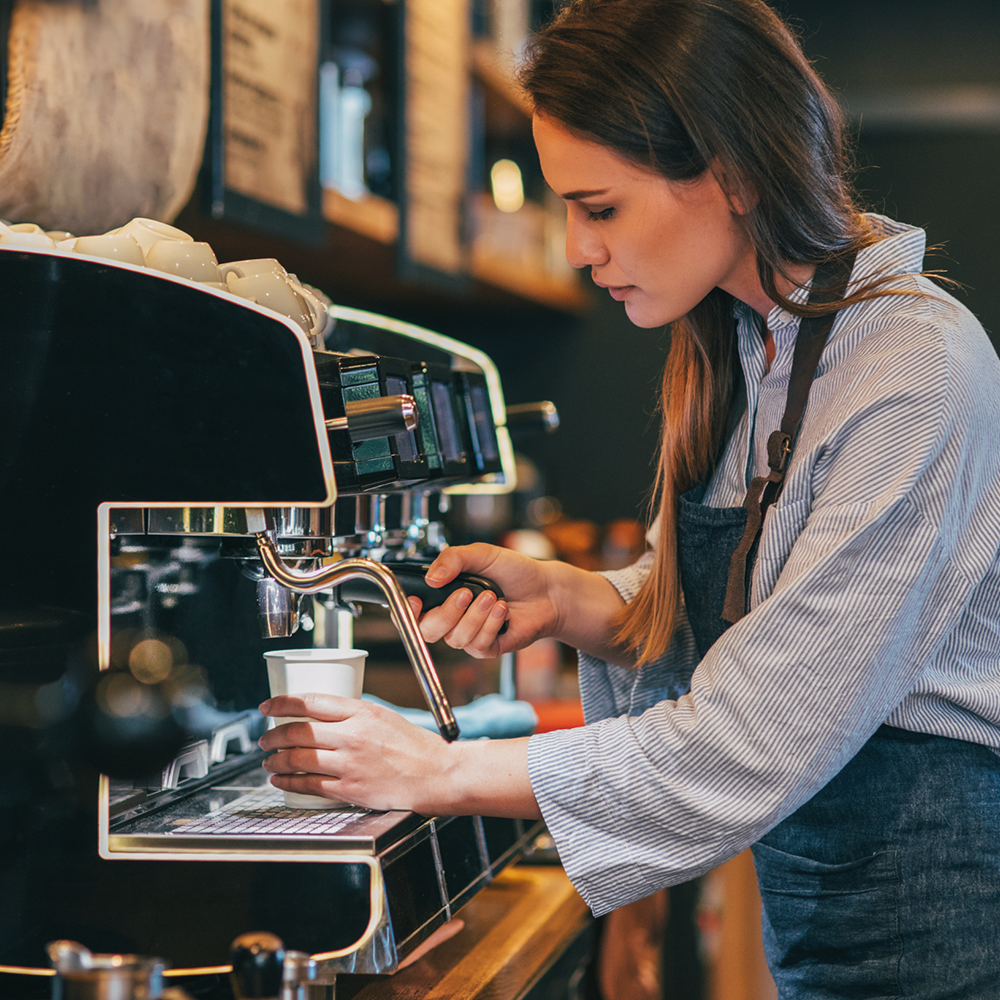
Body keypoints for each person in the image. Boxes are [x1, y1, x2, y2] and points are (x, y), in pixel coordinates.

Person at [258, 0, 1000, 993]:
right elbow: (737, 611)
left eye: (598, 206)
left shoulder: (911, 371)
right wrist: (572, 599)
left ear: (732, 171)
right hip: (832, 914)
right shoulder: (749, 347)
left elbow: (756, 731)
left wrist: (437, 773)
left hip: (946, 917)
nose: (573, 247)